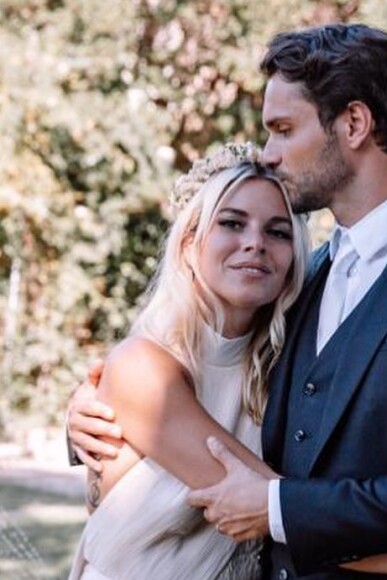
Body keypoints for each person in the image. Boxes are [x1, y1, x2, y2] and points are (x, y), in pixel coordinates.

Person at [68, 24, 387, 579]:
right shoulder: (304, 279)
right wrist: (89, 411)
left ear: (353, 124)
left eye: (282, 129)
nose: (269, 154)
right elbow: (199, 385)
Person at [68, 145, 311, 579]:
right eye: (232, 223)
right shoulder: (143, 367)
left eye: (278, 232)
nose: (255, 243)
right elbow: (279, 507)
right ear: (188, 243)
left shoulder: (287, 368)